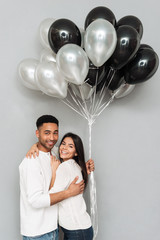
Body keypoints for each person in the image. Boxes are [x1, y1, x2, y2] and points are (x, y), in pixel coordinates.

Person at [19, 115, 94, 240]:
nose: (52, 138)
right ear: (37, 133)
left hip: (54, 228)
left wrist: (83, 167)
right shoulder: (31, 161)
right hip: (39, 232)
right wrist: (69, 192)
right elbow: (36, 200)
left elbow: (71, 152)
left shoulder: (54, 152)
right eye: (47, 133)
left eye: (55, 133)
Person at [50, 132, 93, 240]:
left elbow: (51, 197)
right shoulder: (77, 165)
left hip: (76, 230)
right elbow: (53, 148)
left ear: (76, 152)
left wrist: (54, 170)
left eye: (70, 146)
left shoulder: (64, 167)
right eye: (63, 144)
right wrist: (34, 146)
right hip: (81, 228)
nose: (64, 148)